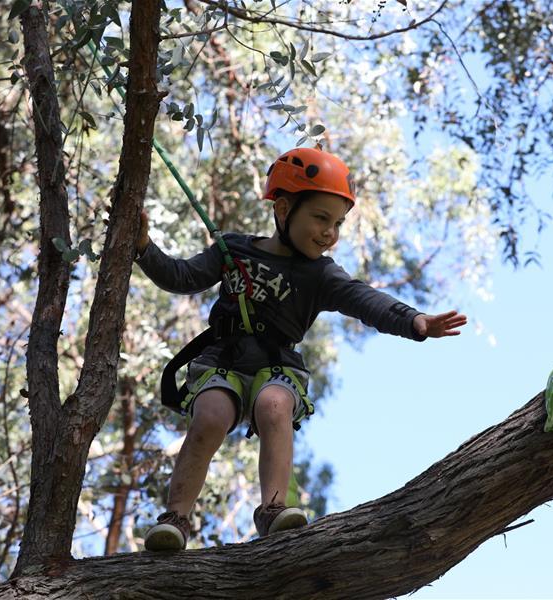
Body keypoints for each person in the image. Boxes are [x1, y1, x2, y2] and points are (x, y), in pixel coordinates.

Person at [135, 147, 468, 551]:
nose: (330, 233)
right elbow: (181, 276)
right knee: (210, 415)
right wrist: (143, 246)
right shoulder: (233, 250)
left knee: (274, 405)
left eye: (338, 223)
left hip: (276, 368)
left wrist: (414, 321)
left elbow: (365, 300)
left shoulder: (320, 274)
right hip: (223, 361)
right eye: (321, 218)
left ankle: (274, 508)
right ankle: (175, 518)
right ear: (283, 209)